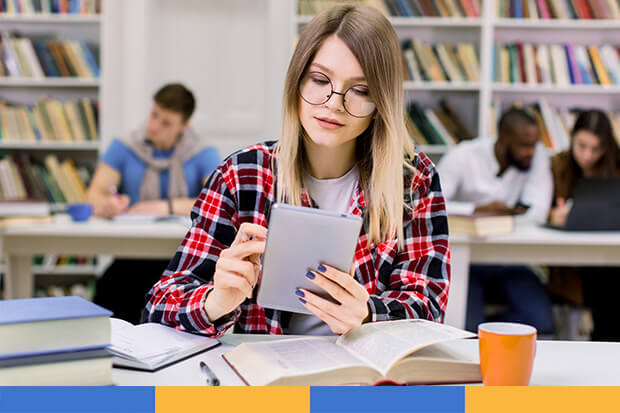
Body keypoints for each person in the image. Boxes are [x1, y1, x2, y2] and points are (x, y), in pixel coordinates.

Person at [142, 5, 450, 337]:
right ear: (296, 82)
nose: (333, 103)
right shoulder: (241, 175)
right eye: (320, 80)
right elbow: (158, 308)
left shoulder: (413, 180)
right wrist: (215, 302)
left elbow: (428, 311)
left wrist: (368, 316)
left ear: (381, 104)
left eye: (360, 91)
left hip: (361, 381)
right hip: (263, 380)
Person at [87, 83, 220, 323]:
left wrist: (164, 206)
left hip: (179, 259)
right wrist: (107, 204)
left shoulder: (202, 153)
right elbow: (93, 195)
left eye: (166, 122)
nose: (154, 126)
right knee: (109, 292)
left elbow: (218, 202)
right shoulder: (125, 147)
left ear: (184, 126)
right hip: (132, 255)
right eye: (154, 115)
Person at [437, 108, 554, 334]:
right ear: (503, 140)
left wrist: (509, 214)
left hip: (509, 258)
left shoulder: (535, 157)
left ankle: (490, 329)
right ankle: (480, 330)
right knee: (462, 328)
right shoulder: (464, 156)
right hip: (466, 261)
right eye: (523, 145)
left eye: (533, 145)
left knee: (541, 320)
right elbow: (433, 204)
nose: (531, 152)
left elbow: (537, 211)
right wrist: (476, 210)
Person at [547, 109, 620, 341]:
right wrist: (552, 215)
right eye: (582, 146)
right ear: (572, 137)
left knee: (608, 285)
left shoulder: (616, 166)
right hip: (570, 258)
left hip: (609, 257)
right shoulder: (558, 164)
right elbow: (539, 208)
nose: (587, 155)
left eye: (596, 149)